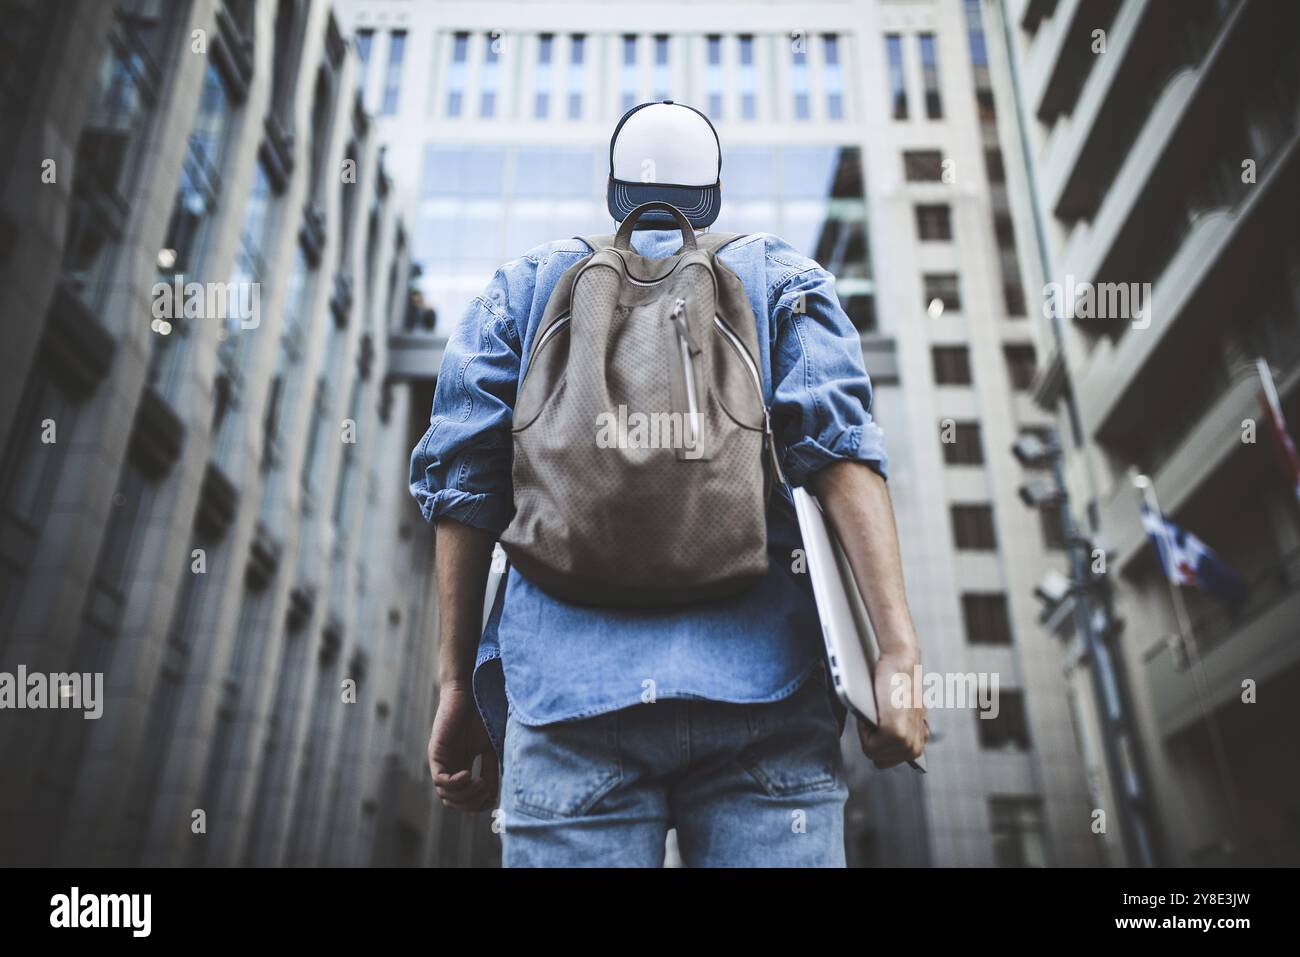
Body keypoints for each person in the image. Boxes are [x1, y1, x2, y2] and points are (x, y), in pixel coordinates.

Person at [410, 101, 927, 867]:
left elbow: (463, 484)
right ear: (713, 194)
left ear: (616, 190)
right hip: (766, 691)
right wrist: (897, 654)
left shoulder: (525, 286)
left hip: (567, 701)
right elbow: (842, 453)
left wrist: (457, 684)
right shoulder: (779, 278)